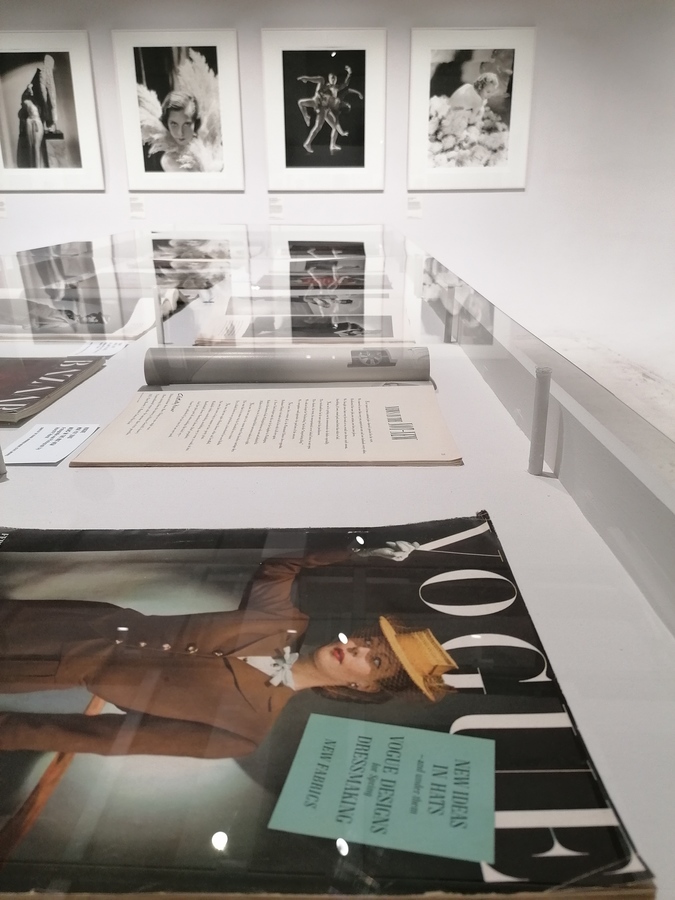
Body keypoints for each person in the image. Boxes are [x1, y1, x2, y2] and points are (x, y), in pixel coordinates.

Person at [0, 540, 456, 758]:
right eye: (367, 641)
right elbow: (279, 564)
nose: (356, 648)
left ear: (364, 687)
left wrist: (8, 733)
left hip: (39, 667)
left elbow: (104, 738)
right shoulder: (284, 621)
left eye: (373, 660)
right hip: (69, 618)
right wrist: (357, 548)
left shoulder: (245, 731)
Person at [297, 66, 360, 153]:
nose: (333, 79)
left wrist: (349, 73)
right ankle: (307, 143)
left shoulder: (337, 87)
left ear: (336, 79)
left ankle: (332, 145)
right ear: (329, 78)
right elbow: (319, 90)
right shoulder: (325, 86)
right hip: (321, 107)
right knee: (318, 126)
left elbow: (345, 84)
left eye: (334, 78)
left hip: (327, 109)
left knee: (335, 126)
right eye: (331, 78)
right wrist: (308, 80)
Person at [145, 91, 201, 172]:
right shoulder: (169, 161)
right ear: (166, 124)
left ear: (195, 122)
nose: (180, 133)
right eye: (174, 124)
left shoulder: (205, 147)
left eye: (186, 124)